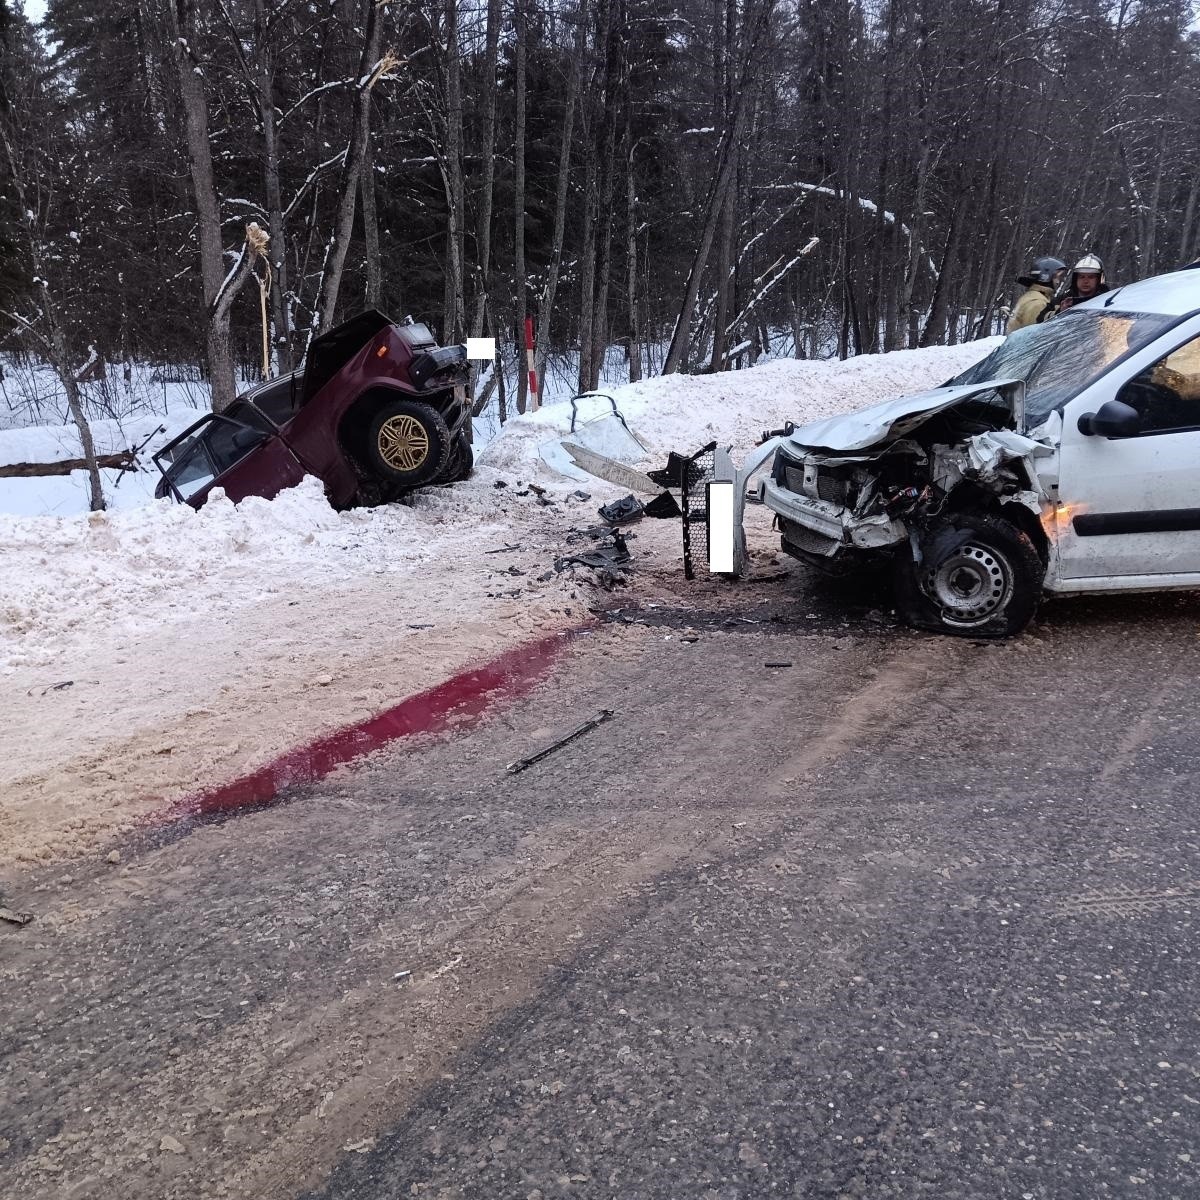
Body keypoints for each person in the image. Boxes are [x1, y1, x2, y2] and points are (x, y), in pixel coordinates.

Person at [1007, 257, 1067, 332]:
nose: (1058, 282)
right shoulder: (1038, 304)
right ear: (1046, 276)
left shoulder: (1033, 295)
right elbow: (1036, 334)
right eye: (1057, 277)